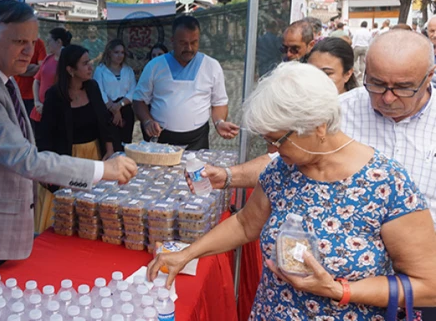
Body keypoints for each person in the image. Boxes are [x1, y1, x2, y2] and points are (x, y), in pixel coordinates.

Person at [148, 62, 436, 320]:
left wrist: (339, 290)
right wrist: (188, 254)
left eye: (278, 139)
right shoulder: (284, 170)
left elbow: (428, 286)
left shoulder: (386, 183)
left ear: (318, 126)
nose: (271, 149)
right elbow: (246, 223)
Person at [0, 0, 137, 279]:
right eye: (19, 42)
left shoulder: (0, 74)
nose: (29, 50)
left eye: (33, 41)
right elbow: (23, 157)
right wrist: (101, 170)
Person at [36, 45, 115, 231]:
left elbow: (104, 120)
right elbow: (45, 134)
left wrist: (110, 149)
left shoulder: (93, 87)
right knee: (65, 215)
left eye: (89, 63)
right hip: (67, 158)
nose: (90, 67)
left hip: (94, 155)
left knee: (91, 212)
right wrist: (46, 169)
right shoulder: (55, 95)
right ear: (70, 70)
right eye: (85, 63)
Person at [133, 16, 239, 150]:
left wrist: (219, 122)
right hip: (161, 138)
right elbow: (139, 100)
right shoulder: (155, 66)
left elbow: (219, 102)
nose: (189, 48)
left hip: (197, 139)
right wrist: (147, 121)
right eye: (183, 43)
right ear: (172, 41)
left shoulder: (211, 66)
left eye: (194, 42)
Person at [94, 39, 137, 151]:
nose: (120, 55)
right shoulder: (101, 70)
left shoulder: (128, 70)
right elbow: (99, 90)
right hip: (107, 111)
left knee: (125, 144)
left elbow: (133, 91)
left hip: (125, 109)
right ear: (109, 52)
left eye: (122, 52)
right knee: (111, 144)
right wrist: (113, 109)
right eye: (116, 52)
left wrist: (119, 105)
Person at [30, 27, 71, 129]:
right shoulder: (48, 58)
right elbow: (37, 81)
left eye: (49, 41)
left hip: (56, 113)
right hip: (39, 110)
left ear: (59, 42)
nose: (47, 44)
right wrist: (37, 102)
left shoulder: (68, 62)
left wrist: (48, 107)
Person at [14, 38, 46, 118]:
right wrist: (32, 67)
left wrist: (21, 69)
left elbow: (41, 68)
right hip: (15, 93)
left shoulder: (38, 43)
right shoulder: (13, 42)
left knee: (30, 127)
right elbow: (13, 68)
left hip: (32, 96)